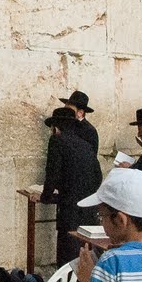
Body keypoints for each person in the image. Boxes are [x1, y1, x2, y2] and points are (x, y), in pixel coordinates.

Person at [39, 107, 102, 264]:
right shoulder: (86, 145)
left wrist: (45, 197)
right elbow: (97, 176)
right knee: (85, 255)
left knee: (68, 257)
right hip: (88, 209)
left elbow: (52, 174)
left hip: (69, 208)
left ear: (56, 127)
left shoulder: (57, 141)